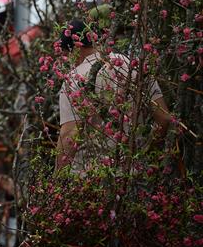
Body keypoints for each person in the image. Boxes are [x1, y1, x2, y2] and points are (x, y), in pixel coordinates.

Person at [56, 19, 170, 171]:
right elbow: (164, 118)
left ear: (74, 49)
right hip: (136, 173)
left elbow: (69, 135)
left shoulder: (73, 80)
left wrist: (57, 178)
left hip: (92, 177)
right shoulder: (133, 65)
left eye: (65, 55)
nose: (67, 61)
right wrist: (147, 155)